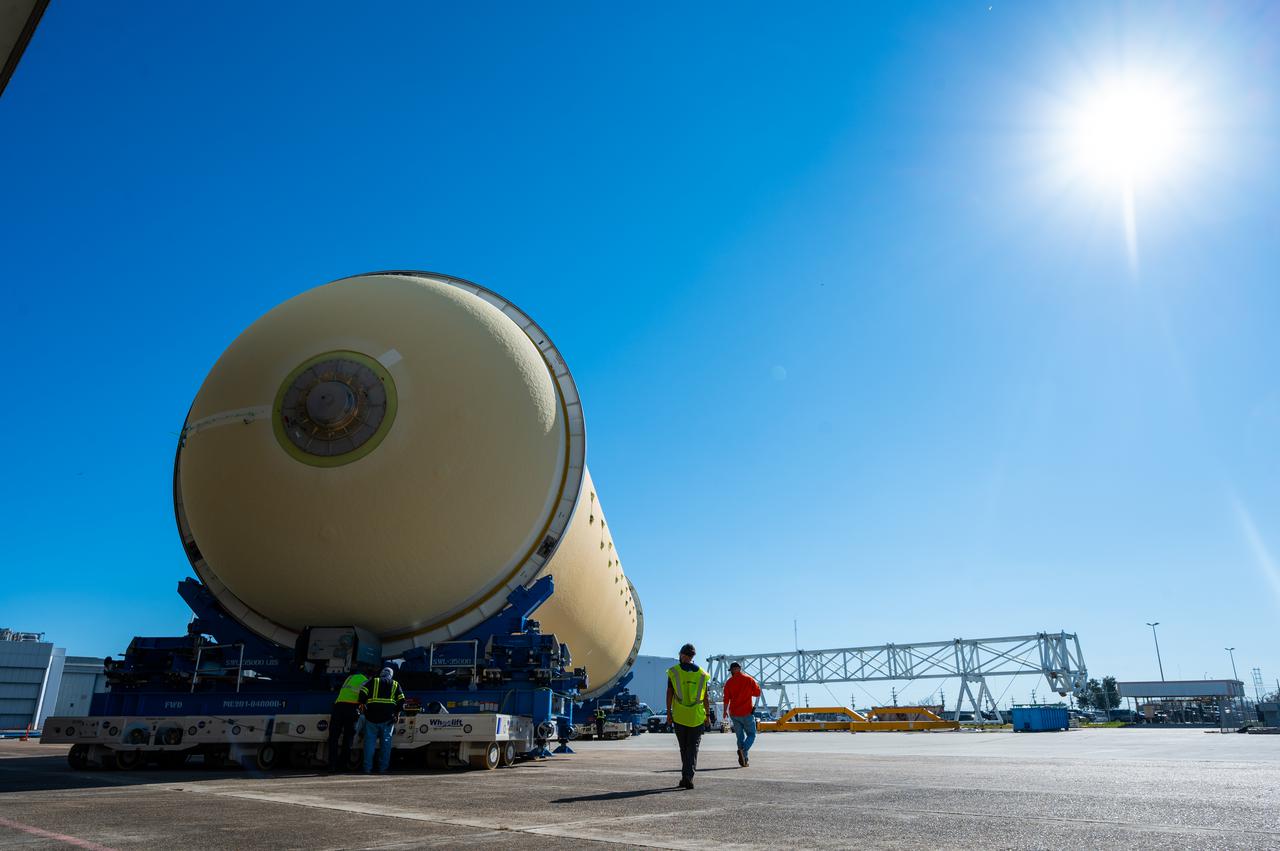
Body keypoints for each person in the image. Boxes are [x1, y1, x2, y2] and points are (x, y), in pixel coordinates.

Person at [666, 643, 711, 789]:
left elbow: (669, 693)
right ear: (693, 656)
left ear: (682, 655)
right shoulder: (703, 675)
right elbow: (706, 697)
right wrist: (708, 715)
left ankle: (686, 777)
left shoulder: (674, 672)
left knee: (684, 748)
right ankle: (688, 776)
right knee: (692, 748)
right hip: (697, 717)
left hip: (680, 715)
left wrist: (668, 713)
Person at [358, 666, 405, 774]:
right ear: (391, 675)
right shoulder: (395, 684)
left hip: (371, 717)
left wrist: (363, 705)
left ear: (381, 673)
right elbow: (401, 701)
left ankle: (367, 769)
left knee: (369, 743)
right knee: (386, 744)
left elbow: (362, 693)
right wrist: (397, 714)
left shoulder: (373, 681)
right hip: (387, 718)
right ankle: (383, 769)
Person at [326, 667, 369, 772]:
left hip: (338, 707)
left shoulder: (349, 678)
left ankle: (332, 765)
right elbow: (364, 696)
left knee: (333, 737)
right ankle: (342, 765)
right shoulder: (365, 680)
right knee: (348, 738)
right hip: (351, 708)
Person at [722, 661, 762, 767]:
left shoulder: (729, 682)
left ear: (731, 671)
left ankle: (745, 760)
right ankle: (743, 752)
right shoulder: (749, 679)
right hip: (746, 712)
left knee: (739, 737)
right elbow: (758, 693)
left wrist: (724, 711)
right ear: (740, 668)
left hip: (734, 713)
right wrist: (749, 692)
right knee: (751, 735)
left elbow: (726, 699)